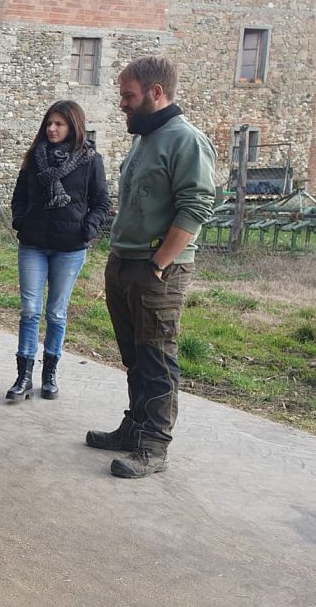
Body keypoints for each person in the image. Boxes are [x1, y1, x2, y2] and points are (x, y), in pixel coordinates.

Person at [87, 55, 216, 478]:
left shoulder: (186, 140)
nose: (122, 103)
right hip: (124, 262)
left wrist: (159, 264)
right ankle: (136, 426)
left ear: (156, 93)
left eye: (128, 95)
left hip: (157, 269)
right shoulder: (145, 139)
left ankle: (154, 446)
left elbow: (196, 207)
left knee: (157, 357)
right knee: (135, 356)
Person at [7, 101, 110, 401]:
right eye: (49, 123)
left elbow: (101, 201)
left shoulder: (90, 160)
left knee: (56, 312)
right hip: (33, 245)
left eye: (59, 124)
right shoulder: (34, 158)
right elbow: (19, 196)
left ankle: (49, 374)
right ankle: (23, 376)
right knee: (30, 310)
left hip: (70, 248)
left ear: (73, 127)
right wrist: (21, 222)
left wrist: (86, 229)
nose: (52, 129)